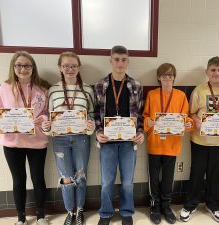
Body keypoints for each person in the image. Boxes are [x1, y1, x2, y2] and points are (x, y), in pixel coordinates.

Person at [179, 56, 219, 223]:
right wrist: (196, 120)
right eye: (213, 70)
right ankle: (190, 205)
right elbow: (190, 112)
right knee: (197, 173)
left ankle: (213, 205)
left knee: (216, 175)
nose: (216, 73)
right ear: (207, 72)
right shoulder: (199, 90)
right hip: (200, 140)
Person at [0, 51, 51, 225]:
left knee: (38, 178)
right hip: (12, 142)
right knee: (18, 180)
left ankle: (41, 215)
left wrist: (41, 120)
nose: (23, 69)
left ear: (33, 68)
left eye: (27, 65)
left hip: (37, 141)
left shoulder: (43, 87)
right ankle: (21, 217)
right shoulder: (5, 86)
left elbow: (47, 113)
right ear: (13, 67)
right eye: (19, 65)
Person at [42, 52, 95, 225]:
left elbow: (92, 114)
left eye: (73, 66)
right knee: (66, 178)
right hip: (60, 141)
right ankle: (69, 211)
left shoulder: (87, 89)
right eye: (66, 66)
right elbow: (49, 116)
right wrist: (47, 127)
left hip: (81, 139)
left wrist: (91, 125)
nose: (70, 69)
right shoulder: (53, 90)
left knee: (80, 176)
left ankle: (80, 210)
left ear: (78, 68)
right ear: (60, 68)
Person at [94, 45, 144, 225]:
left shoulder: (136, 86)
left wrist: (140, 133)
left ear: (128, 61)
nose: (120, 63)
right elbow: (96, 112)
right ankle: (105, 213)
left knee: (128, 182)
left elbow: (140, 114)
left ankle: (126, 211)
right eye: (116, 59)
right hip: (107, 142)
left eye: (124, 59)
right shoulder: (101, 85)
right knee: (106, 181)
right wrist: (98, 132)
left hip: (128, 143)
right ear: (110, 61)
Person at [142, 63, 194, 224]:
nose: (167, 78)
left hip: (172, 145)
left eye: (170, 75)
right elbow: (144, 115)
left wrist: (188, 124)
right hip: (155, 144)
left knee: (168, 178)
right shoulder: (152, 94)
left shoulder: (180, 96)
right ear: (159, 77)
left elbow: (186, 117)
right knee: (154, 176)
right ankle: (155, 206)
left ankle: (166, 206)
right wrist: (148, 122)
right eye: (164, 75)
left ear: (174, 78)